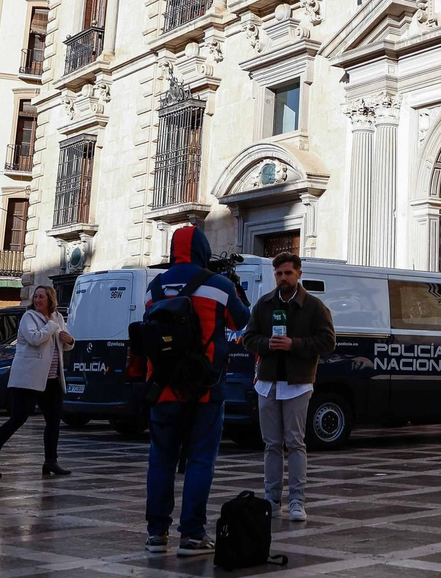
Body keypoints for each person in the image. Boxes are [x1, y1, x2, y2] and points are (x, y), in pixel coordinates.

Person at [143, 225, 249, 556]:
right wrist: (235, 286)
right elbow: (241, 320)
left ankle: (156, 535)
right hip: (205, 388)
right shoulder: (218, 286)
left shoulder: (154, 287)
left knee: (161, 460)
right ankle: (191, 535)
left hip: (163, 388)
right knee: (201, 460)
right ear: (203, 250)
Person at [241, 251, 336, 522]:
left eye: (288, 273)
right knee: (271, 444)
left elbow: (328, 341)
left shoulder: (315, 307)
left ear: (299, 274)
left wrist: (295, 344)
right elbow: (248, 337)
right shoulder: (264, 304)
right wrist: (265, 344)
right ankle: (271, 500)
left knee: (295, 442)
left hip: (298, 384)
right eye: (279, 274)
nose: (283, 278)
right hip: (268, 384)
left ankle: (297, 500)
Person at [0, 285, 74, 479]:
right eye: (35, 297)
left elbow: (63, 345)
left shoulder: (58, 318)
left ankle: (50, 461)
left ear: (50, 299)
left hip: (51, 378)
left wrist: (70, 340)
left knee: (54, 421)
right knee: (17, 419)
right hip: (28, 379)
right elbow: (34, 339)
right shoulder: (29, 318)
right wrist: (51, 326)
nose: (37, 300)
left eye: (41, 297)